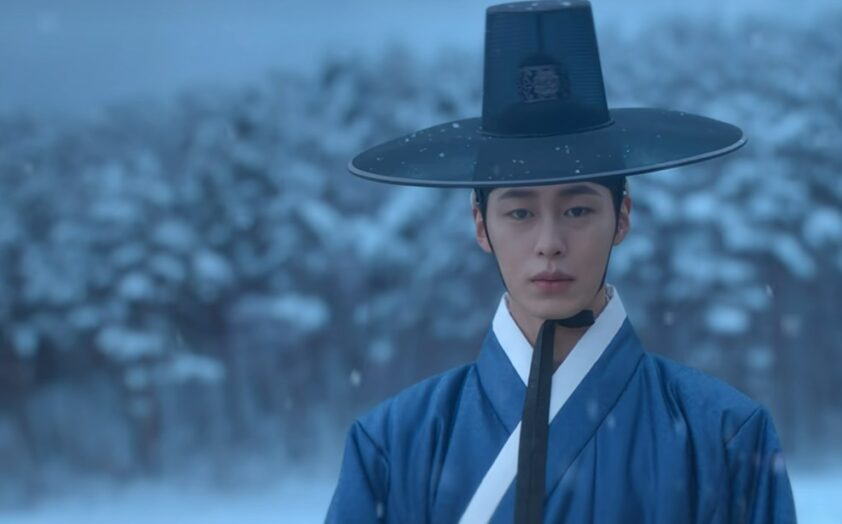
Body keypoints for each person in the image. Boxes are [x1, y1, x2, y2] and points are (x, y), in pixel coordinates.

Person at [326, 1, 797, 522]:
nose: (549, 243)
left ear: (622, 217)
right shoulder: (397, 444)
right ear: (481, 225)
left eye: (577, 210)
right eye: (520, 212)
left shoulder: (722, 436)